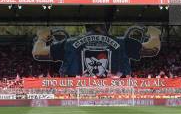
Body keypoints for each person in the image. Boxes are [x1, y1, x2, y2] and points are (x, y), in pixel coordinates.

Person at [32, 24, 161, 77]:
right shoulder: (123, 42)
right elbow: (152, 48)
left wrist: (42, 37)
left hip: (76, 86)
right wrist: (154, 35)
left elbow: (38, 52)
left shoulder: (68, 43)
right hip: (115, 86)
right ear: (105, 28)